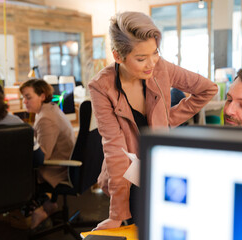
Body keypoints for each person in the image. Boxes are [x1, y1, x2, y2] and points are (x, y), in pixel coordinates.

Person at [88, 11, 218, 230]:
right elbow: (113, 148)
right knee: (140, 225)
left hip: (160, 161)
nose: (151, 63)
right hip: (127, 172)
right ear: (118, 56)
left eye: (155, 52)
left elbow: (207, 89)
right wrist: (117, 214)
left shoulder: (161, 68)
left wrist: (167, 120)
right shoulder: (101, 87)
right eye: (141, 58)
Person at [19, 79, 75, 229]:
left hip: (57, 170)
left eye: (28, 97)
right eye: (23, 97)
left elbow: (43, 156)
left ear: (42, 96)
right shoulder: (51, 109)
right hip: (65, 165)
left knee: (17, 173)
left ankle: (38, 211)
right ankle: (48, 203)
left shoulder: (45, 118)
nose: (24, 101)